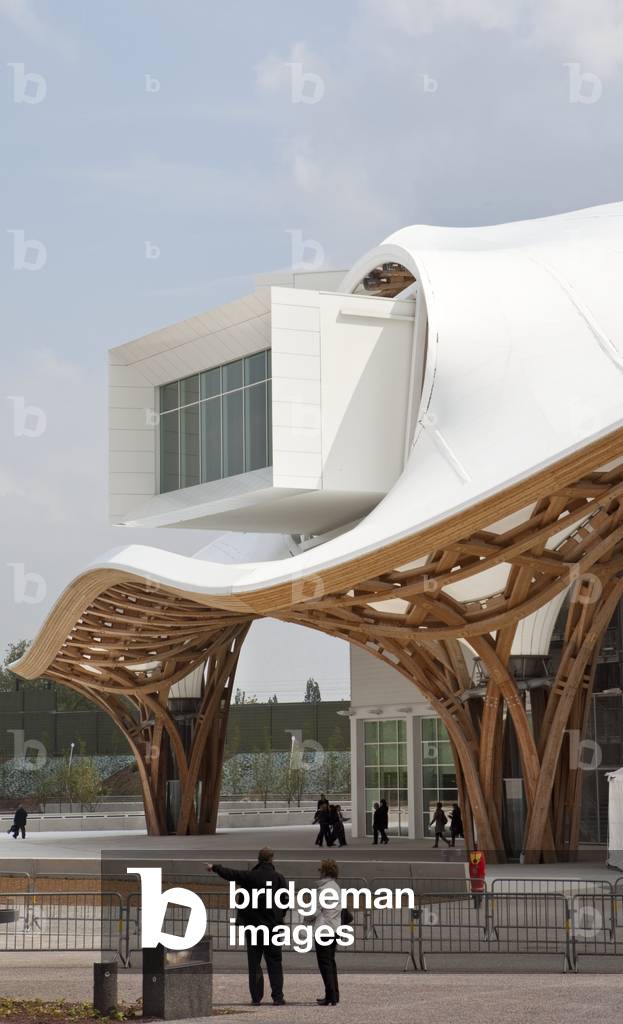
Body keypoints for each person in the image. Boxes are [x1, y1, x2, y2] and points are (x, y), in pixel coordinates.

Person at [207, 847, 287, 1006]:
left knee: (254, 963)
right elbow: (285, 899)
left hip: (253, 926)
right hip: (272, 927)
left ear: (259, 859)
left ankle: (256, 997)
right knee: (275, 962)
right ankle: (277, 996)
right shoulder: (278, 878)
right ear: (271, 859)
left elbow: (232, 874)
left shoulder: (250, 876)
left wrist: (215, 867)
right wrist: (279, 915)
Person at [308, 858, 341, 1006]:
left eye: (320, 870)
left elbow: (315, 910)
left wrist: (305, 919)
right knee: (331, 962)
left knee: (324, 964)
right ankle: (334, 994)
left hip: (323, 929)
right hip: (334, 927)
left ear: (324, 871)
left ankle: (330, 995)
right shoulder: (336, 886)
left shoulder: (324, 888)